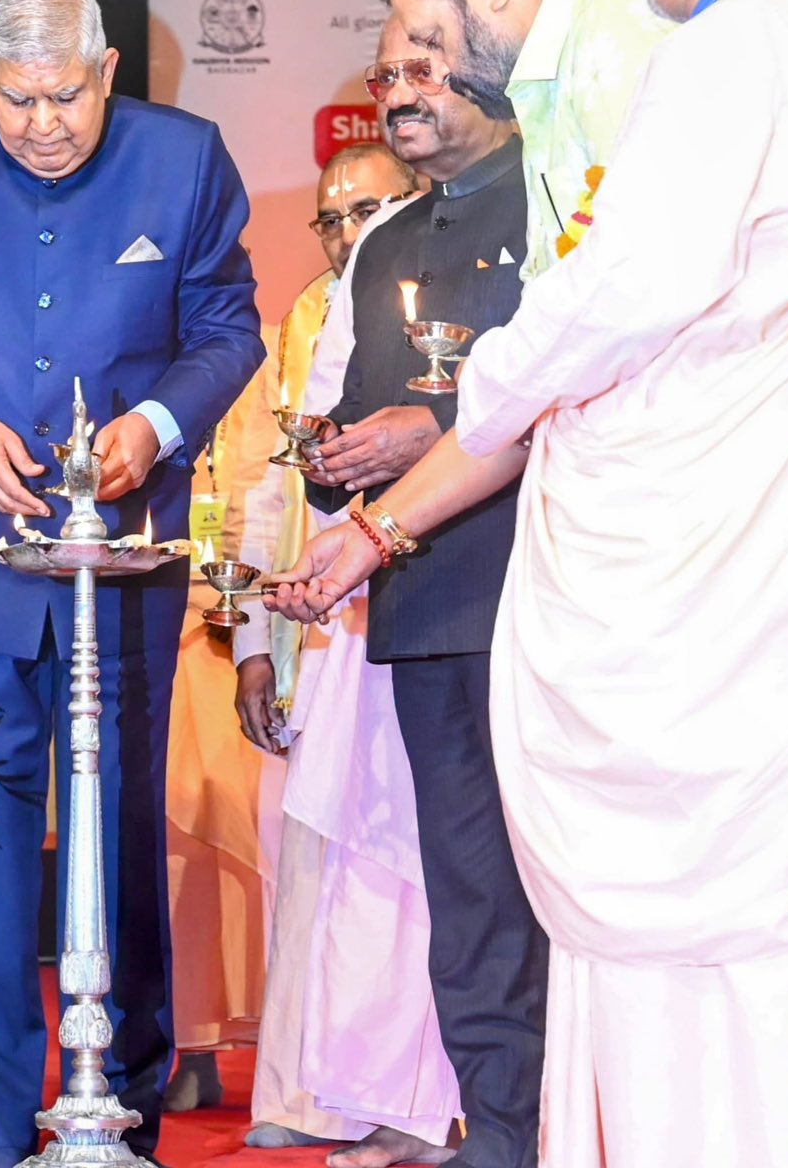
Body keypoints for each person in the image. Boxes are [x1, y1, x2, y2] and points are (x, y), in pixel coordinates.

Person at [267, 0, 788, 1168]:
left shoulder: (732, 52)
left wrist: (419, 470)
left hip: (712, 617)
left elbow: (604, 311)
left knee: (697, 986)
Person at [0, 0, 264, 1167]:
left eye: (63, 98)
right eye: (15, 100)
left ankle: (118, 1116)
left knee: (118, 827)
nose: (38, 124)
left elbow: (228, 324)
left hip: (119, 567)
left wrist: (160, 427)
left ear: (106, 72)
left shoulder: (182, 160)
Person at [292, 16, 545, 1168]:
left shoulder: (555, 199)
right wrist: (329, 451)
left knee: (561, 896)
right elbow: (338, 404)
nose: (395, 91)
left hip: (550, 605)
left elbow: (582, 391)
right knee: (469, 908)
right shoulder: (380, 238)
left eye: (421, 68)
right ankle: (501, 1139)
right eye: (383, 72)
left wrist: (427, 431)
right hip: (426, 608)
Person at [218, 138, 464, 1168]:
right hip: (325, 621)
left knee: (408, 861)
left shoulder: (438, 301)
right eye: (326, 217)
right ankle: (313, 1091)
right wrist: (250, 643)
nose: (341, 233)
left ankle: (422, 1100)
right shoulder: (304, 322)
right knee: (322, 863)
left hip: (427, 597)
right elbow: (270, 489)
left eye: (360, 211)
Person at [370, 0, 673, 281]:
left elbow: (646, 263)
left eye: (434, 40)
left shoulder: (613, 25)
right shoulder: (542, 78)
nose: (441, 70)